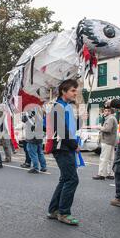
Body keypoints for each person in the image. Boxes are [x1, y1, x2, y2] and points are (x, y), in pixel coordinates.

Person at [47, 79, 81, 226]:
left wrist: (80, 120)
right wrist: (75, 145)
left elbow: (71, 128)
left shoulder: (66, 106)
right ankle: (64, 213)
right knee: (72, 179)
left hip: (64, 146)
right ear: (63, 91)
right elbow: (62, 130)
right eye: (73, 90)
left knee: (65, 179)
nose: (75, 93)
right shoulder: (58, 107)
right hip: (63, 147)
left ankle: (54, 210)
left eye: (75, 90)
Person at [93, 106, 118, 180]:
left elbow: (107, 129)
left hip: (107, 140)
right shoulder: (113, 118)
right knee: (111, 159)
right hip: (111, 141)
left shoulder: (110, 119)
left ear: (110, 112)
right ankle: (110, 174)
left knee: (103, 158)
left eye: (106, 111)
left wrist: (99, 127)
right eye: (104, 111)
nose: (104, 112)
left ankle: (101, 174)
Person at [23, 109, 47, 174]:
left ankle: (35, 168)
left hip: (32, 138)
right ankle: (43, 167)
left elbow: (23, 120)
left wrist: (25, 113)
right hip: (39, 137)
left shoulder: (30, 115)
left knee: (33, 153)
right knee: (40, 152)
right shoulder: (41, 116)